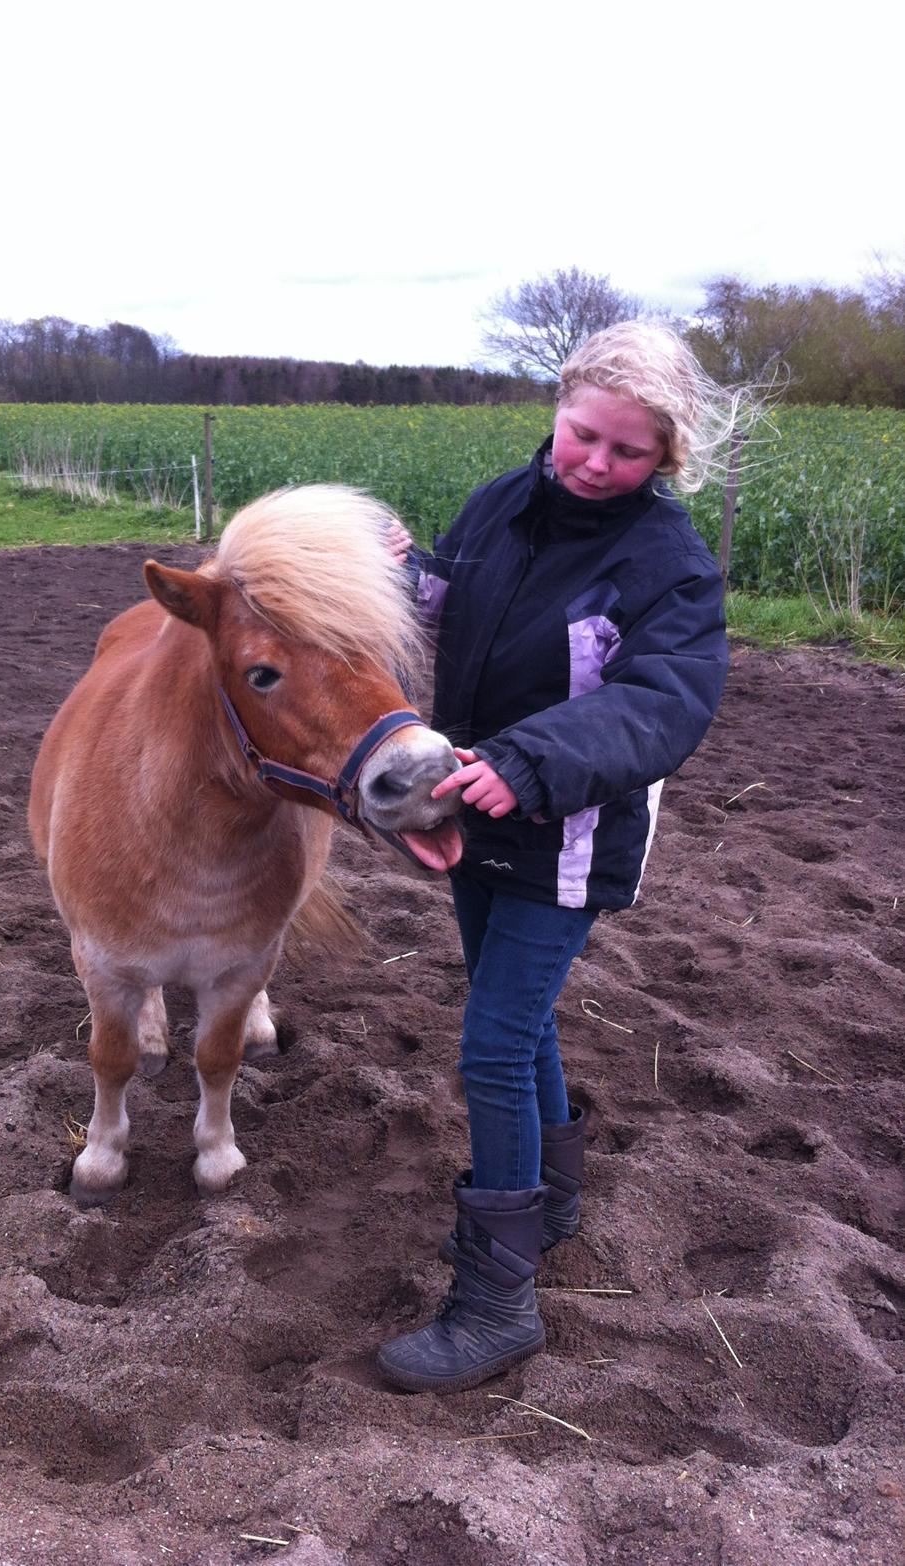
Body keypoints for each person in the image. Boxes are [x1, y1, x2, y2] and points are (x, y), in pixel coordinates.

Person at [376, 321, 753, 1394]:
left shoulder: (669, 568)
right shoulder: (503, 502)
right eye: (584, 434)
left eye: (626, 453)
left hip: (570, 835)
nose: (595, 462)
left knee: (492, 1046)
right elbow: (454, 610)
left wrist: (530, 764)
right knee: (520, 1018)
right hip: (474, 804)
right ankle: (553, 1202)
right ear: (560, 408)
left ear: (664, 459)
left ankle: (496, 1305)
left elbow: (660, 705)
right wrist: (405, 576)